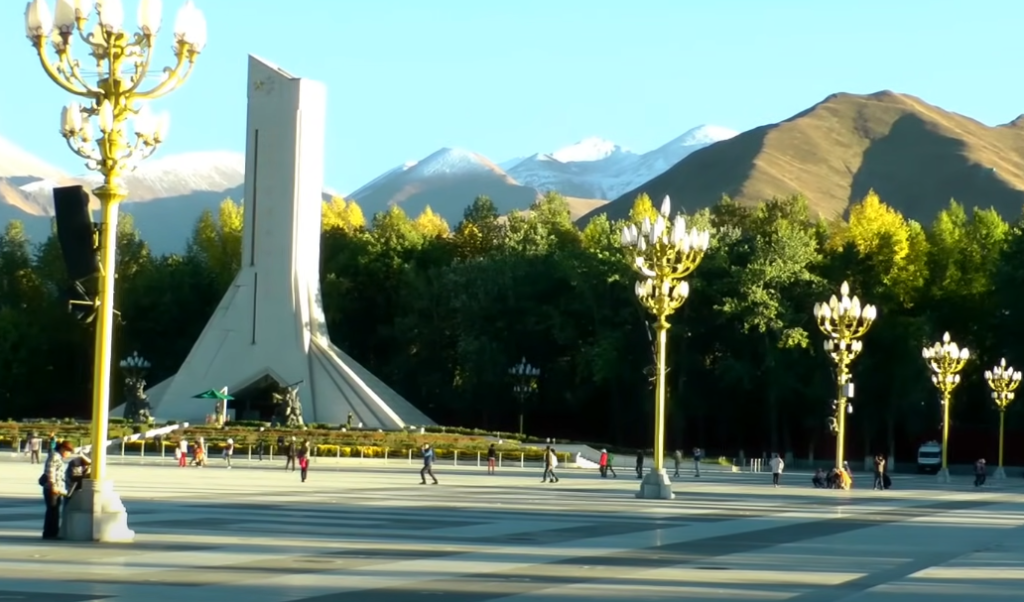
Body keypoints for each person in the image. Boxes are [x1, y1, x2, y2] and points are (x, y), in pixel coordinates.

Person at [40, 441, 73, 539]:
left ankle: (52, 532)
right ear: (62, 449)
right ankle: (50, 533)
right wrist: (53, 485)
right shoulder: (54, 456)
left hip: (56, 489)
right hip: (52, 488)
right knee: (52, 511)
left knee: (53, 510)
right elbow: (51, 471)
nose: (69, 454)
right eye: (68, 451)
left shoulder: (57, 457)